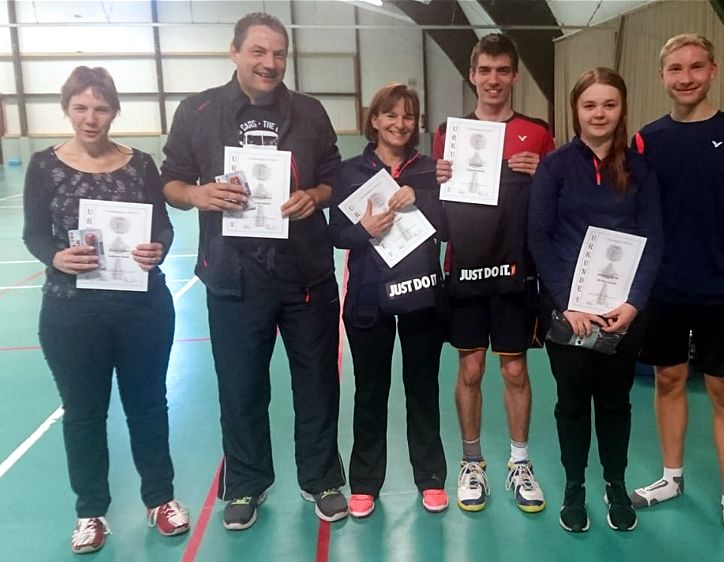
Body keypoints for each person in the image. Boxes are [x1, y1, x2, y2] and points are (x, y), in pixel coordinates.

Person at [160, 12, 347, 528]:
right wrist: (198, 194)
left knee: (318, 384)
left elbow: (335, 176)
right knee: (240, 386)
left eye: (279, 53)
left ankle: (322, 478)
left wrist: (315, 196)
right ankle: (245, 484)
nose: (270, 63)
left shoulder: (309, 112)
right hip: (233, 276)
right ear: (235, 52)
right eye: (259, 51)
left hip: (305, 273)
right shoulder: (197, 112)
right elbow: (170, 181)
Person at [22, 66, 189, 554]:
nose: (90, 118)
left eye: (100, 108)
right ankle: (91, 511)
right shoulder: (44, 166)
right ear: (67, 110)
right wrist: (55, 257)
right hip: (71, 312)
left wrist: (157, 249)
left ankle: (160, 499)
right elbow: (34, 233)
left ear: (114, 111)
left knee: (148, 405)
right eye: (80, 108)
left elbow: (163, 227)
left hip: (142, 309)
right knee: (83, 414)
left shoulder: (140, 165)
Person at [628, 33, 724, 556]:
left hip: (720, 292)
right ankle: (672, 477)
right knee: (668, 380)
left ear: (712, 71)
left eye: (695, 67)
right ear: (662, 76)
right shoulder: (645, 140)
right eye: (675, 69)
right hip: (661, 290)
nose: (685, 77)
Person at [528, 68, 663, 533]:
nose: (599, 114)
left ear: (622, 109)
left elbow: (653, 238)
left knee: (615, 402)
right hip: (570, 314)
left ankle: (615, 484)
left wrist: (634, 303)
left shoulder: (640, 169)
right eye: (590, 105)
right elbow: (539, 237)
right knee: (571, 402)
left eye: (609, 104)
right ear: (576, 111)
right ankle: (574, 487)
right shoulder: (555, 166)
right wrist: (569, 304)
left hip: (621, 314)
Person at [433, 33, 555, 513]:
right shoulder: (450, 132)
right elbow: (438, 208)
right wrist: (438, 179)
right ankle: (471, 463)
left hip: (514, 271)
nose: (493, 79)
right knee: (471, 367)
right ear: (472, 75)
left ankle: (520, 463)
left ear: (515, 76)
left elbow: (555, 200)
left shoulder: (537, 132)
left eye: (503, 70)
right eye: (485, 70)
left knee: (515, 368)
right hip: (465, 267)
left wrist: (542, 172)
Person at [330, 83, 449, 518]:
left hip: (421, 296)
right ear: (375, 119)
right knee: (370, 391)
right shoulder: (349, 172)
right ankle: (364, 483)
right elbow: (336, 234)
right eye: (391, 115)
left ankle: (430, 478)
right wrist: (363, 230)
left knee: (423, 388)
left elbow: (449, 227)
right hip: (367, 299)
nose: (400, 124)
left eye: (409, 116)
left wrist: (423, 199)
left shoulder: (431, 170)